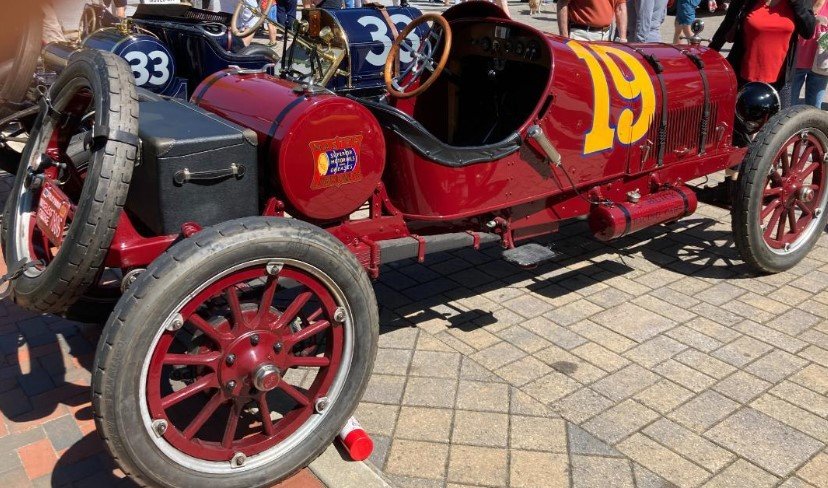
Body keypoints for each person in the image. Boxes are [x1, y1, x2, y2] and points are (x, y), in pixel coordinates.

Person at [710, 0, 822, 105]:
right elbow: (727, 24)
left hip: (780, 83)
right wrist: (710, 54)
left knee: (780, 119)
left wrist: (796, 3)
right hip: (743, 79)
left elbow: (808, 32)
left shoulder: (799, 2)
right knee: (738, 117)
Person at [792, 0, 828, 106]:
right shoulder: (798, 2)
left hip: (820, 64)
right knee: (788, 107)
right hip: (795, 62)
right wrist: (812, 21)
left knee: (814, 109)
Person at [558, 0, 628, 41]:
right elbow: (562, 4)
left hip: (605, 36)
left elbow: (620, 8)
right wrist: (564, 37)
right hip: (580, 35)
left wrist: (622, 38)